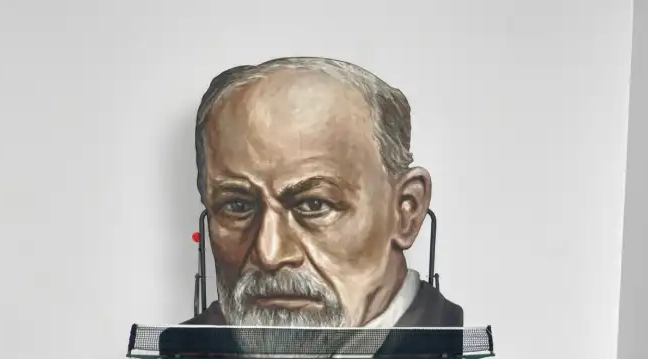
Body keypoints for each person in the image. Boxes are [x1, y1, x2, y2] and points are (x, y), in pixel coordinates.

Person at [183, 56, 463, 331]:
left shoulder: (456, 357)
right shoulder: (173, 354)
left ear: (406, 211)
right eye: (237, 206)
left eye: (314, 204)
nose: (269, 254)